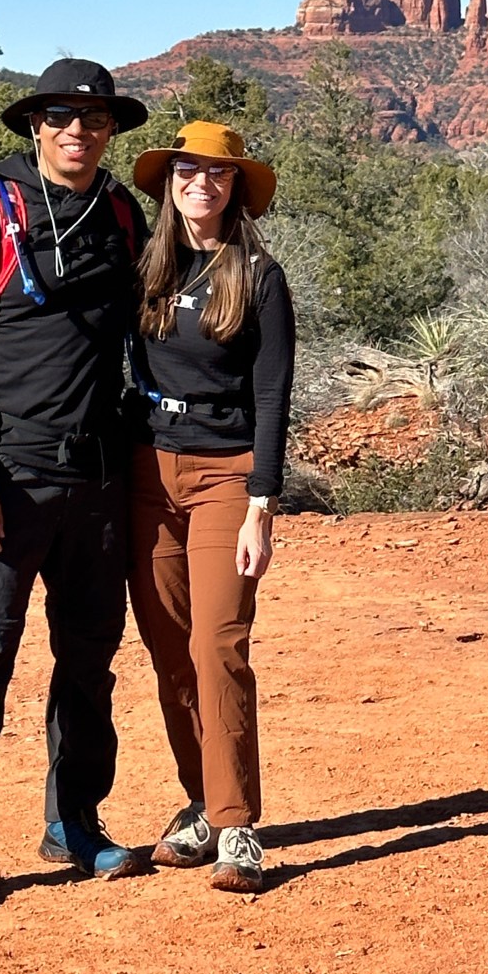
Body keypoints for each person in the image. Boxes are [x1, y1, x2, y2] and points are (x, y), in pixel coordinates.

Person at [0, 58, 150, 914]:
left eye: (92, 119)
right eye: (60, 117)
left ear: (111, 131)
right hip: (8, 484)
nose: (76, 131)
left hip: (96, 485)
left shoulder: (124, 217)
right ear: (34, 126)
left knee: (88, 665)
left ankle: (75, 824)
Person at [127, 120, 295, 894]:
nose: (202, 183)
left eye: (218, 173)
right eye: (188, 170)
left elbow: (271, 398)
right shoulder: (147, 270)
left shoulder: (258, 277)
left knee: (218, 644)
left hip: (228, 475)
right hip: (147, 475)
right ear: (170, 182)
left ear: (236, 188)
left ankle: (236, 828)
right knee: (170, 652)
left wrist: (263, 501)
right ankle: (200, 801)